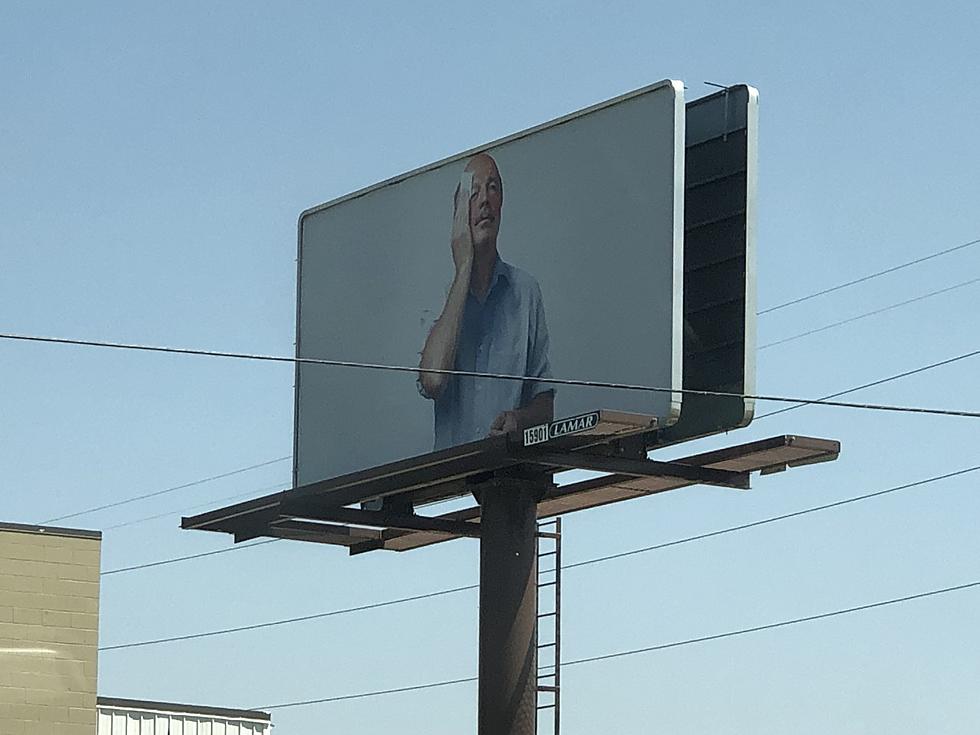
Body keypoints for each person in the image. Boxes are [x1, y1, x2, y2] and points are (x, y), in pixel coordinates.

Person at [418, 152, 554, 449]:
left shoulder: (526, 291)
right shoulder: (439, 291)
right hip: (451, 487)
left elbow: (545, 404)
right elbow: (433, 380)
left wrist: (519, 420)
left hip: (510, 474)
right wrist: (464, 265)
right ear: (458, 211)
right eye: (474, 191)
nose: (484, 201)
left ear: (502, 203)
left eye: (492, 188)